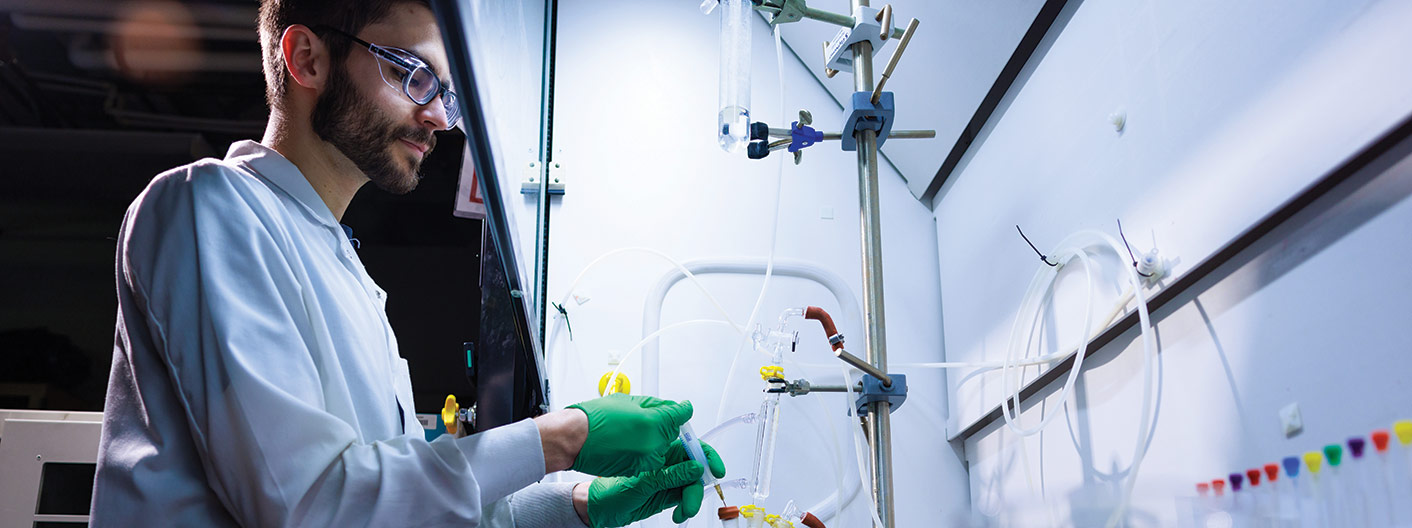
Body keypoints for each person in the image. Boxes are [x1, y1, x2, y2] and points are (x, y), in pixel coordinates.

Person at [88, 1, 725, 526]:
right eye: (414, 74)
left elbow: (390, 504)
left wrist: (577, 503)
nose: (439, 117)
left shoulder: (344, 269)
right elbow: (308, 505)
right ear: (306, 58)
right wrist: (560, 439)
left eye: (443, 91)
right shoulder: (210, 205)